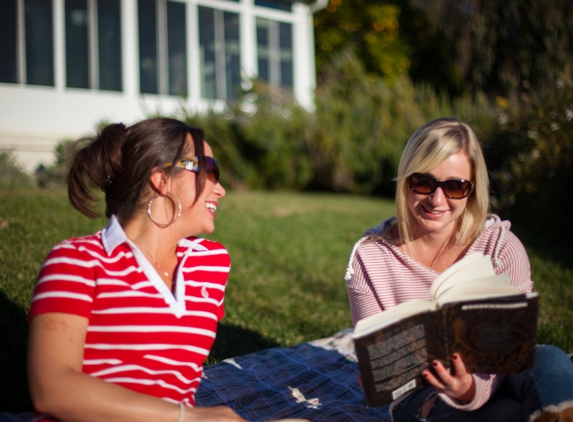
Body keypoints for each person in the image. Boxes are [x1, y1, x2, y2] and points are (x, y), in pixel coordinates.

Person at [345, 118, 573, 422]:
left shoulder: (501, 247)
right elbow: (388, 377)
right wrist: (378, 374)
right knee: (510, 414)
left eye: (455, 186)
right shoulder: (370, 258)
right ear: (405, 180)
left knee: (551, 362)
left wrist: (473, 387)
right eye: (423, 182)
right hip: (426, 396)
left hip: (502, 373)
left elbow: (513, 349)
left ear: (472, 188)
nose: (436, 199)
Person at [27, 118, 246, 421]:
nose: (219, 188)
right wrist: (188, 417)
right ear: (162, 178)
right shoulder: (77, 262)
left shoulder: (210, 263)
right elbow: (52, 389)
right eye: (208, 170)